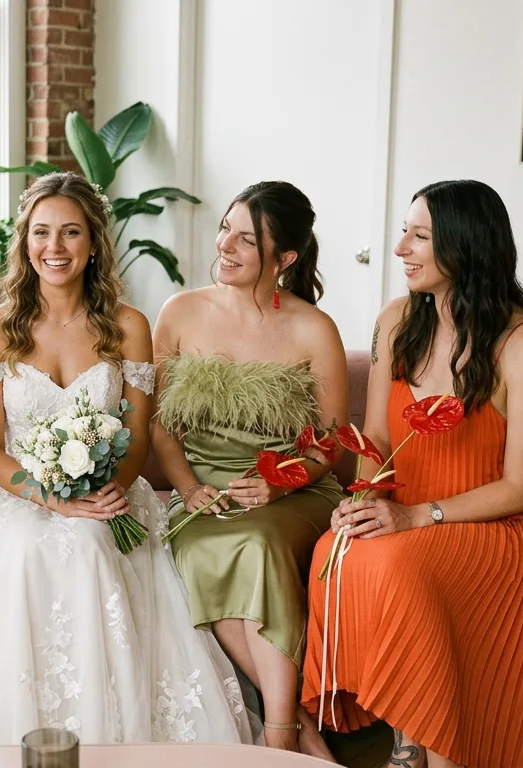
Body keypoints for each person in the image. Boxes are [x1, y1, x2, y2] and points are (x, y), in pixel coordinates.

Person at [0, 172, 250, 745]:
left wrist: (105, 489)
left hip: (107, 493)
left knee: (95, 544)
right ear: (25, 242)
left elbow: (138, 436)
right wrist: (51, 498)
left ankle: (103, 735)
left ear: (93, 241)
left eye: (70, 232)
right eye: (42, 232)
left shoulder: (128, 326)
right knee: (25, 551)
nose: (55, 247)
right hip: (14, 492)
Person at [302, 179, 523, 768]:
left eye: (420, 236)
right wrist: (363, 501)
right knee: (332, 552)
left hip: (508, 524)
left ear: (466, 248)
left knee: (401, 565)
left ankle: (432, 748)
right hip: (409, 507)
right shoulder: (395, 322)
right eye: (404, 232)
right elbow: (379, 438)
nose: (400, 249)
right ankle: (407, 734)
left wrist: (417, 516)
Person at [151, 181, 344, 757]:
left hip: (294, 490)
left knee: (257, 545)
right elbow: (160, 425)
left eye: (247, 238)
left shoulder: (314, 328)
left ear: (284, 258)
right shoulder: (180, 311)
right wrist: (189, 489)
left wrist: (280, 480)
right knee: (208, 549)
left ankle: (279, 735)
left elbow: (330, 441)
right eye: (224, 229)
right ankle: (297, 736)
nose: (225, 246)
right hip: (204, 490)